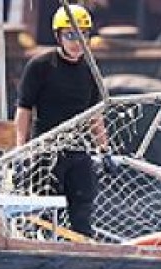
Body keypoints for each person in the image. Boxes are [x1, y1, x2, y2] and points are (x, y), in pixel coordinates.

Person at [14, 4, 112, 237]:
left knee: (82, 208)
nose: (77, 42)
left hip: (78, 149)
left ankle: (82, 256)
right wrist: (20, 150)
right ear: (58, 36)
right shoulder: (41, 66)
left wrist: (104, 148)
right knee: (44, 212)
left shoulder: (90, 68)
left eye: (83, 35)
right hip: (46, 150)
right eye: (70, 35)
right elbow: (24, 108)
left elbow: (94, 114)